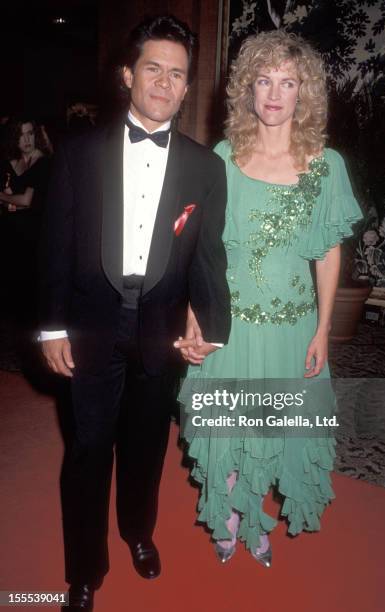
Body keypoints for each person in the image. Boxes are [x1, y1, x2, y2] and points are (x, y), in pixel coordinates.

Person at [38, 16, 230, 611]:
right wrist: (50, 326)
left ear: (185, 86)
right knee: (89, 449)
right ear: (128, 75)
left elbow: (207, 257)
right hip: (92, 326)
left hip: (161, 333)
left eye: (177, 74)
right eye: (154, 68)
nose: (165, 83)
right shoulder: (78, 154)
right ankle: (85, 568)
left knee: (146, 449)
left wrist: (213, 327)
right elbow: (55, 247)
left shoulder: (205, 166)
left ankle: (137, 534)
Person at [176, 30, 363, 567]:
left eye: (287, 82)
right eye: (264, 80)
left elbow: (327, 254)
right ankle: (230, 520)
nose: (275, 93)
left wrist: (323, 329)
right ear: (247, 90)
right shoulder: (223, 157)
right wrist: (194, 318)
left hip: (290, 327)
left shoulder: (327, 165)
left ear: (304, 93)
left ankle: (256, 516)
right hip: (228, 323)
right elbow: (202, 250)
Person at [0, 118, 51, 323]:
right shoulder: (11, 163)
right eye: (21, 135)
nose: (27, 139)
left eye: (30, 133)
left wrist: (5, 199)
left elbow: (26, 200)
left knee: (31, 295)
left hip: (35, 235)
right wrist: (9, 202)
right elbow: (12, 201)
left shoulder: (43, 161)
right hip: (12, 234)